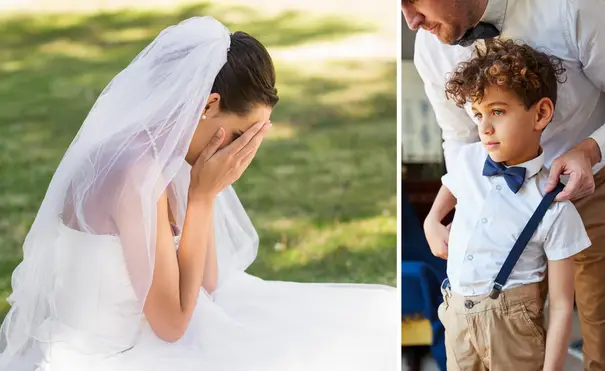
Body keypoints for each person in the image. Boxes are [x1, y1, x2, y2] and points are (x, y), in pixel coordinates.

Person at [0, 17, 396, 371]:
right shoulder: (135, 171)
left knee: (369, 322)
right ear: (209, 105)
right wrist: (203, 198)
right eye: (241, 136)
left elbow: (205, 284)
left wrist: (203, 191)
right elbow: (172, 323)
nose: (240, 151)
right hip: (114, 353)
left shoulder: (168, 153)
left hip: (155, 336)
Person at [401, 0, 605, 369]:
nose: (410, 20)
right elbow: (460, 139)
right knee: (507, 328)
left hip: (591, 183)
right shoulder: (430, 45)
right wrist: (459, 208)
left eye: (413, 0)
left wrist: (589, 150)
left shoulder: (572, 8)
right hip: (502, 196)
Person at [432, 38, 591, 370]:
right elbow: (451, 187)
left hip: (513, 329)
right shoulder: (469, 159)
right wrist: (431, 220)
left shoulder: (554, 208)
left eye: (497, 111)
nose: (485, 127)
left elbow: (562, 306)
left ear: (541, 113)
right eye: (477, 114)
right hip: (456, 316)